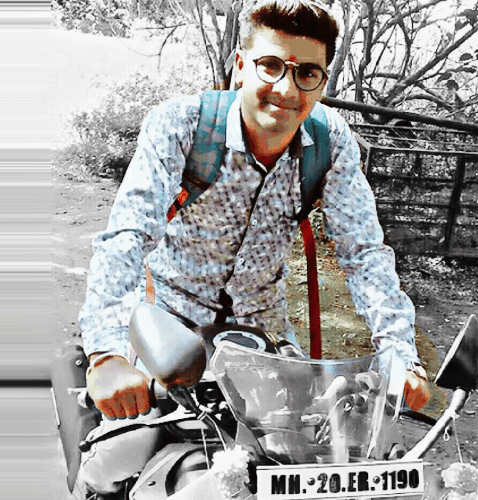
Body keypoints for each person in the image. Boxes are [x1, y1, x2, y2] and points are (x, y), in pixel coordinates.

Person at [77, 0, 430, 495]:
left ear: (322, 82)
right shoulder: (182, 124)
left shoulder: (331, 141)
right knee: (119, 457)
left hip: (263, 337)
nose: (286, 89)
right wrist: (107, 355)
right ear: (241, 65)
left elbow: (365, 252)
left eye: (307, 73)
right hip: (167, 326)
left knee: (304, 461)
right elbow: (127, 238)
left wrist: (399, 354)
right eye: (271, 65)